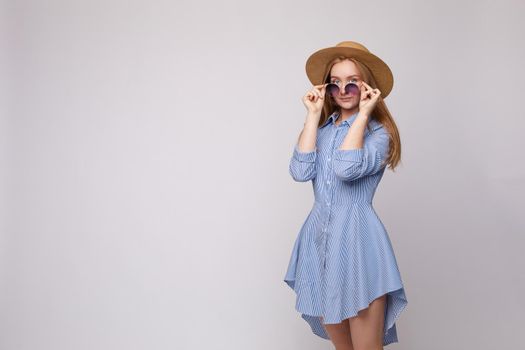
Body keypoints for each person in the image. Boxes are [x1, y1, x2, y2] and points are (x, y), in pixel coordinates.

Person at [283, 41, 408, 349]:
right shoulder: (322, 130)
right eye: (335, 83)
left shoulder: (380, 134)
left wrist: (364, 114)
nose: (343, 90)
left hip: (358, 242)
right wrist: (312, 116)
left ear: (367, 86)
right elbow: (300, 172)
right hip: (319, 244)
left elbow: (346, 168)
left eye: (352, 82)